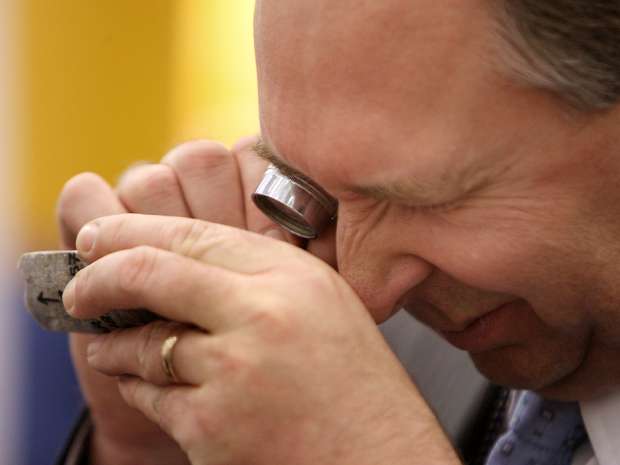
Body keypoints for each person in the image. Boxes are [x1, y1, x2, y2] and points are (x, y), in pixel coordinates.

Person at [55, 0, 620, 464]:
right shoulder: (327, 358)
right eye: (307, 190)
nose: (360, 298)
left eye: (427, 201)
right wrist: (153, 446)